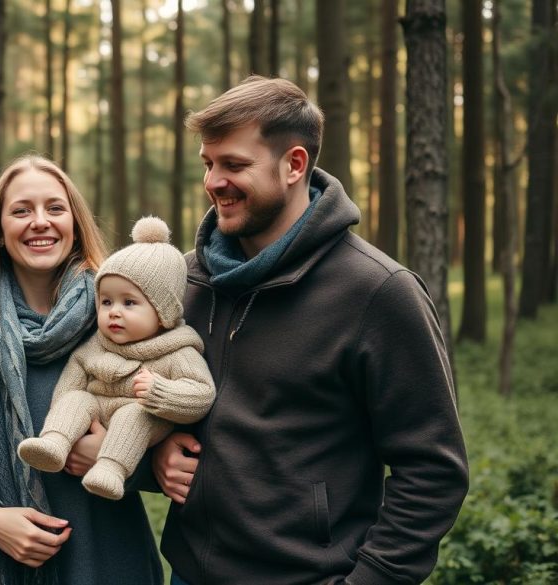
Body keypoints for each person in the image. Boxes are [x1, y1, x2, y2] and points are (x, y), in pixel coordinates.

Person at [152, 76, 469, 584]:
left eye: (234, 164)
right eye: (208, 164)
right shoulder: (185, 279)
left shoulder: (378, 292)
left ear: (294, 164)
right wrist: (157, 454)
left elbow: (433, 472)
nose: (213, 181)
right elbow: (146, 401)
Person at [0, 155, 165, 585]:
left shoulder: (119, 316)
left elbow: (170, 440)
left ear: (74, 223)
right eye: (21, 210)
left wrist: (115, 457)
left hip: (109, 562)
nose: (40, 222)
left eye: (55, 208)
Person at [18, 216, 215, 501]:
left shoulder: (178, 350)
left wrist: (160, 392)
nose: (114, 312)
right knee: (76, 399)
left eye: (129, 302)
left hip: (145, 415)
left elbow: (202, 394)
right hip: (98, 409)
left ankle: (111, 469)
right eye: (106, 302)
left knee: (132, 415)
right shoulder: (97, 345)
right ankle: (54, 443)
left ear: (163, 313)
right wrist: (65, 410)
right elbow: (72, 380)